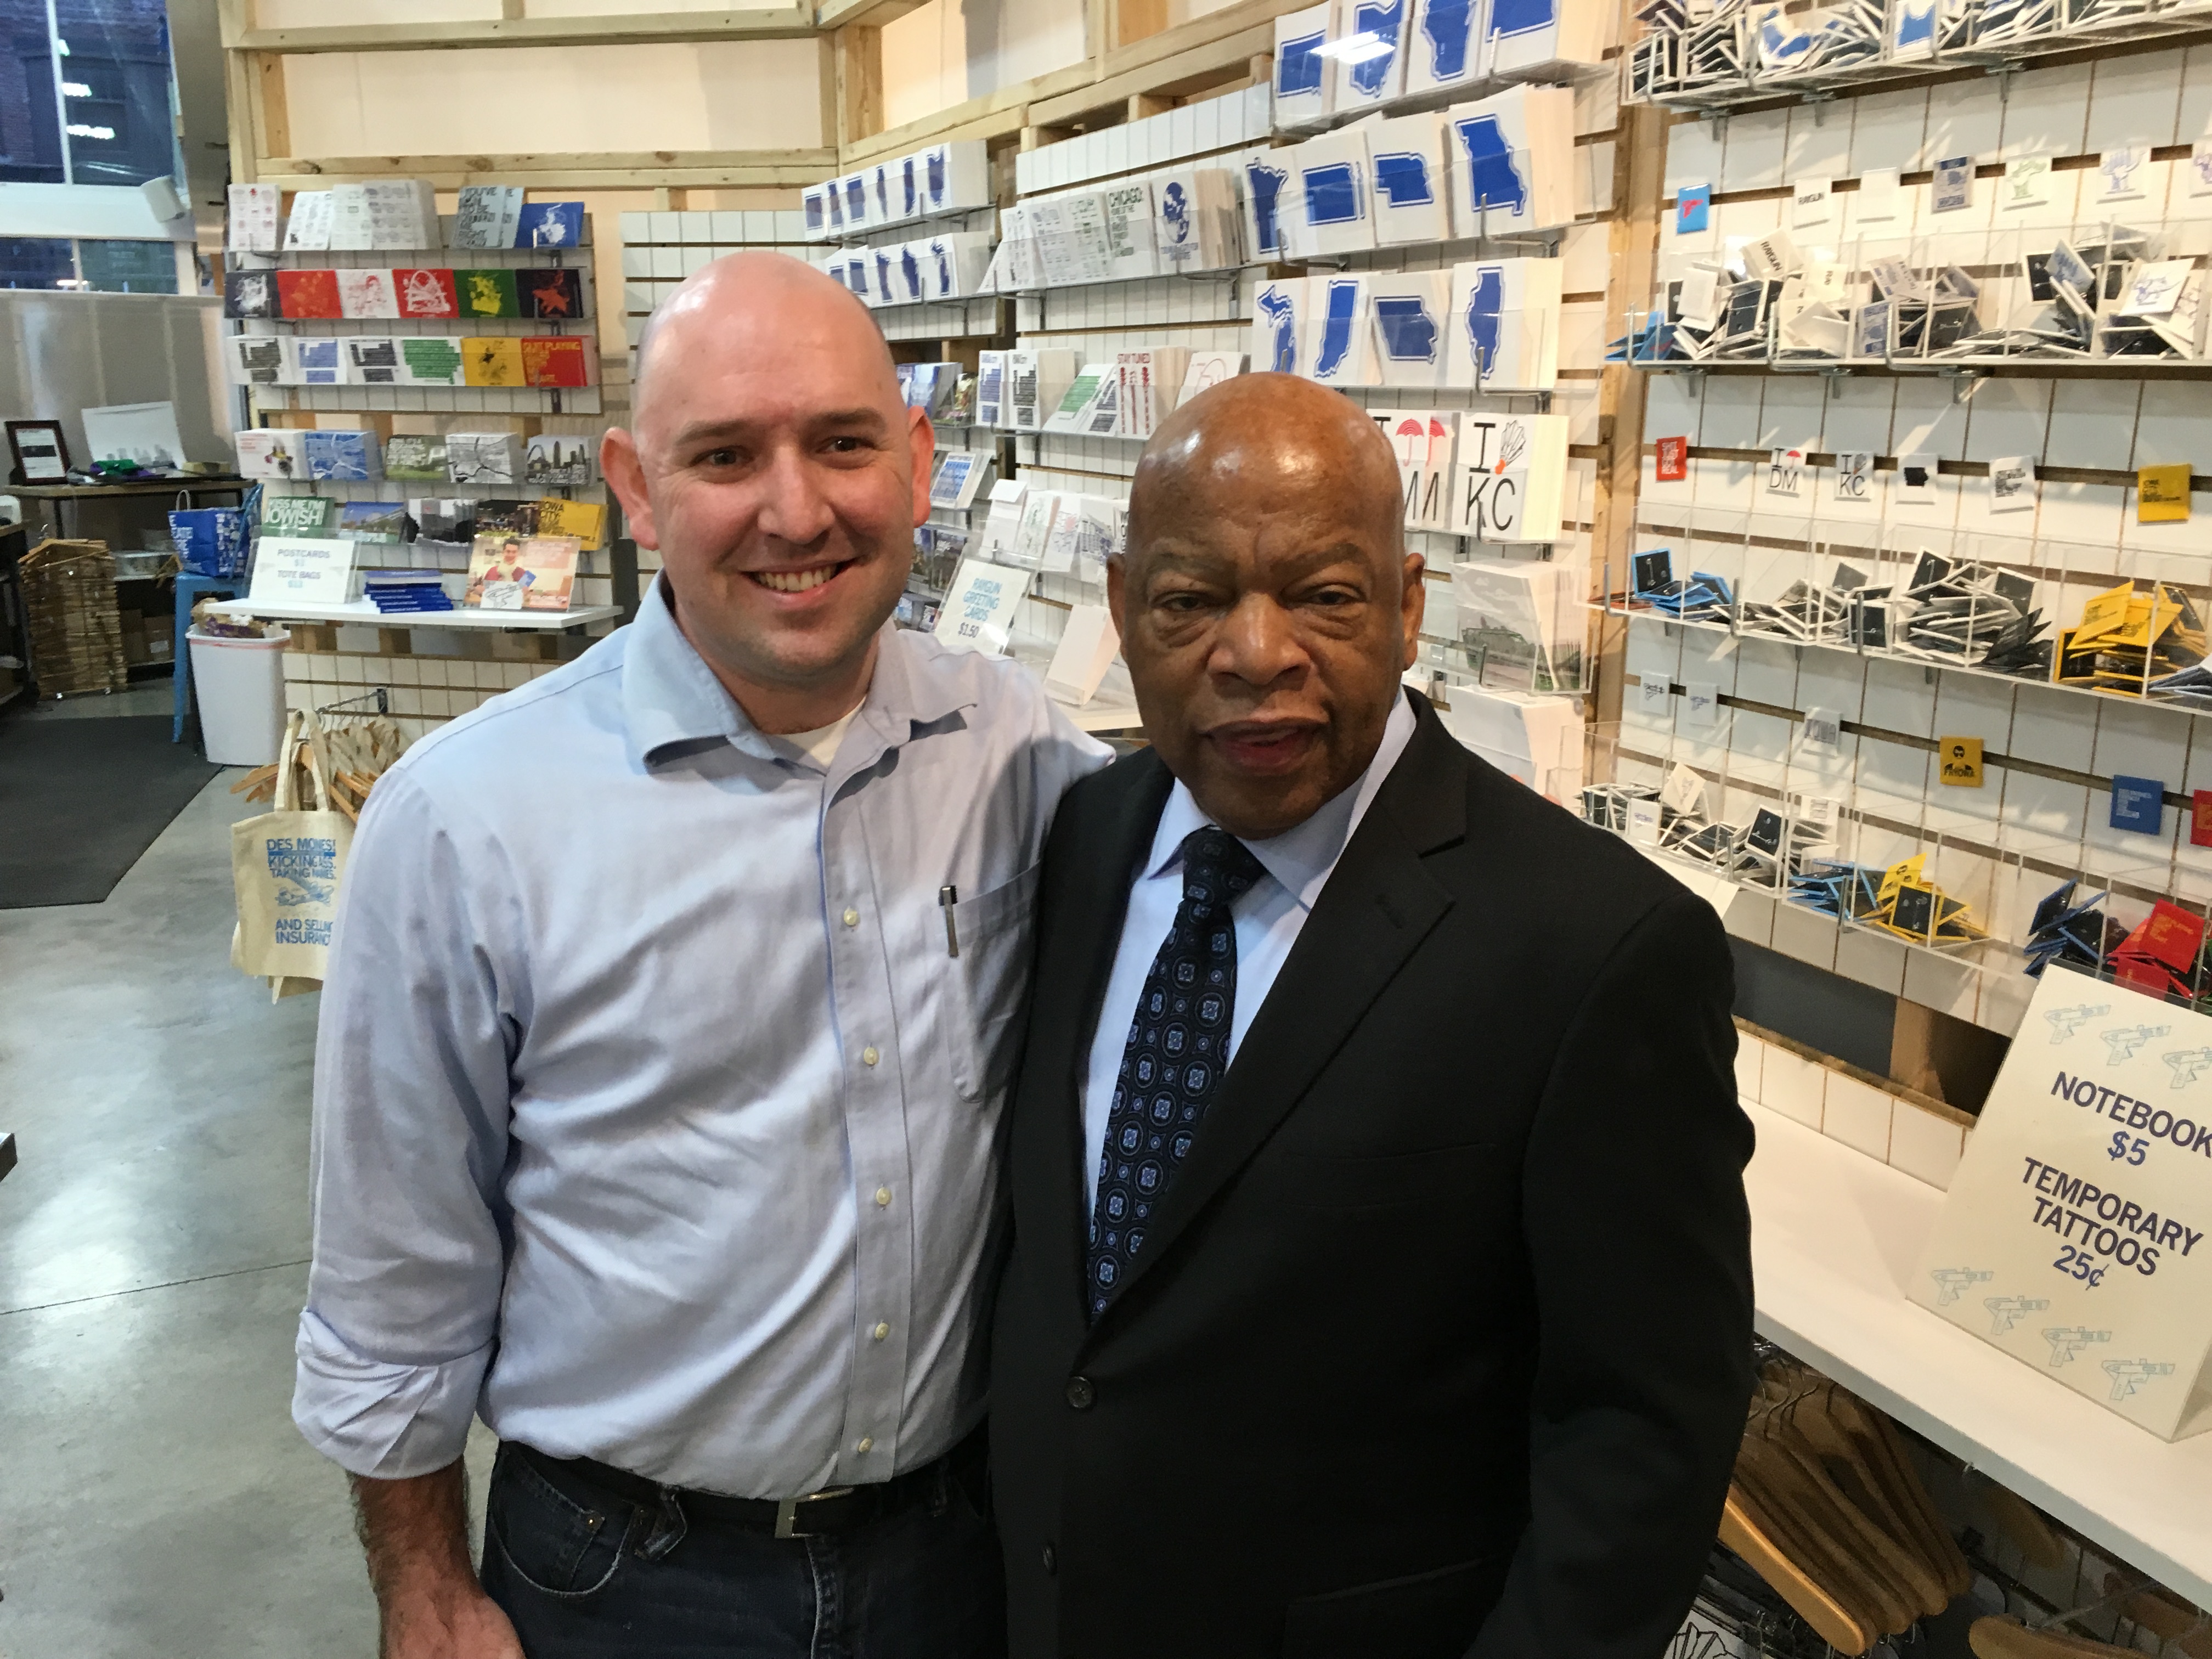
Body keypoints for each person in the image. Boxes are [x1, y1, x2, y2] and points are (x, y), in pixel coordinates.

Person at [294, 252, 1107, 1658]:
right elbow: (395, 1261)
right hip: (627, 1582)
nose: (796, 511)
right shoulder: (468, 821)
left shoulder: (1016, 750)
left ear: (916, 461)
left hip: (959, 1556)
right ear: (634, 484)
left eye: (843, 444)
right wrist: (421, 1588)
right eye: (725, 456)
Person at [989, 373, 1755, 1659]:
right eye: (1189, 600)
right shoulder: (1085, 838)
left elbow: (1642, 1439)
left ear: (1407, 608)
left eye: (1323, 594)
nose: (1254, 653)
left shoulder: (1592, 949)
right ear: (1122, 612)